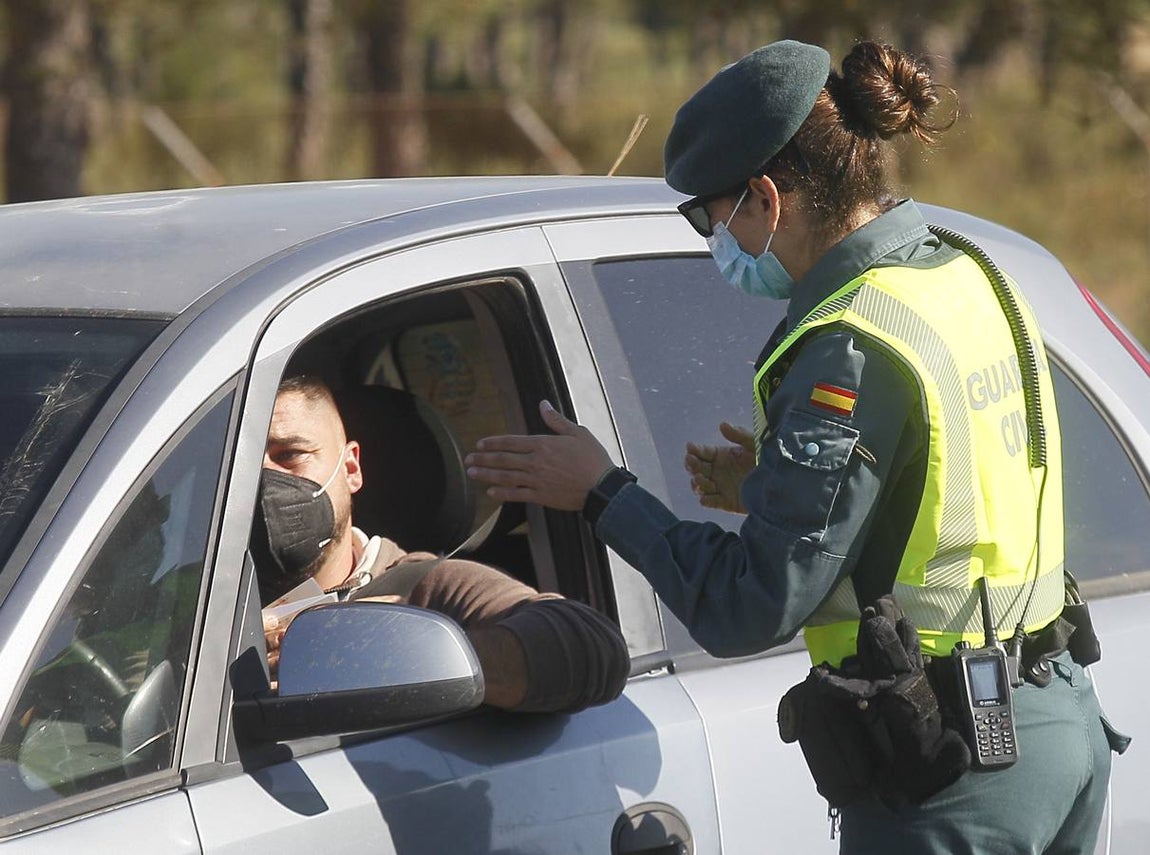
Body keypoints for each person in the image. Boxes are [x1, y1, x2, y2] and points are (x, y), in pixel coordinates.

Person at [464, 39, 1126, 852]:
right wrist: (775, 488)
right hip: (1058, 723)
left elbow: (751, 606)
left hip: (955, 777)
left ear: (766, 200)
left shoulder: (851, 345)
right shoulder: (971, 273)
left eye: (711, 218)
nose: (716, 244)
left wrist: (604, 492)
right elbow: (960, 493)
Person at [252, 374, 629, 713]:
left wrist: (395, 652)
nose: (267, 484)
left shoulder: (426, 587)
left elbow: (596, 650)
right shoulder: (203, 599)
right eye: (249, 471)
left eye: (290, 455)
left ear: (351, 469)